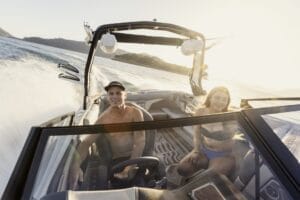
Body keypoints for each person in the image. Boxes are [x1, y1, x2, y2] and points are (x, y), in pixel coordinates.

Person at [68, 81, 145, 189]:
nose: (114, 96)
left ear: (125, 95)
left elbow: (139, 142)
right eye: (111, 93)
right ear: (108, 96)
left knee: (142, 188)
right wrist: (76, 165)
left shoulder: (135, 113)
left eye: (118, 93)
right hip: (119, 160)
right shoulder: (104, 119)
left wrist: (130, 167)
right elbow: (86, 142)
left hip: (138, 157)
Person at [177, 86, 236, 177]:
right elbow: (196, 133)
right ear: (210, 98)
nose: (220, 102)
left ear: (227, 102)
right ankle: (203, 168)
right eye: (217, 98)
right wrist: (196, 151)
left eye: (224, 99)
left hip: (223, 155)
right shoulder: (201, 112)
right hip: (204, 150)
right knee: (183, 169)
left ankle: (209, 170)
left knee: (209, 177)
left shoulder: (231, 117)